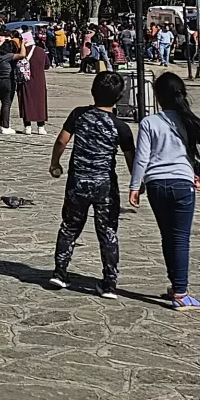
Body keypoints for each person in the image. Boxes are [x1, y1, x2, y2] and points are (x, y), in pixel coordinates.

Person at [129, 72, 200, 311]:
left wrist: (135, 186)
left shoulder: (149, 122)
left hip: (155, 185)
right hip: (182, 185)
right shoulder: (189, 121)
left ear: (158, 96)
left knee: (168, 237)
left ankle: (176, 286)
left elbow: (142, 158)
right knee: (180, 238)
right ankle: (181, 292)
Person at [46, 70, 137, 297]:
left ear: (93, 91)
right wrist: (137, 183)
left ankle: (60, 271)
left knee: (69, 227)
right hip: (105, 184)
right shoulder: (121, 127)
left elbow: (61, 140)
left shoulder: (79, 115)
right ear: (118, 97)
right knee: (107, 231)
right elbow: (130, 159)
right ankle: (109, 283)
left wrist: (55, 163)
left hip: (78, 182)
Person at [0, 30, 22, 133]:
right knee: (7, 103)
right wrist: (23, 44)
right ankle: (5, 126)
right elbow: (22, 55)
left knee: (4, 103)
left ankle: (2, 125)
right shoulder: (8, 56)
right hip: (8, 80)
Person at [20, 30, 51, 133]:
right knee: (40, 103)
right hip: (40, 81)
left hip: (26, 80)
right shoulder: (41, 51)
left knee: (26, 101)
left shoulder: (22, 52)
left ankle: (27, 126)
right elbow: (47, 65)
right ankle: (41, 126)